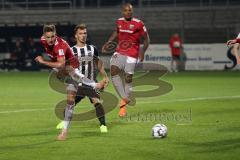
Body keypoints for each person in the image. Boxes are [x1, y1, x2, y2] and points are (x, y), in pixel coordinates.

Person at [34, 24, 106, 140]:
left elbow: (61, 64)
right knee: (70, 88)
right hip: (64, 71)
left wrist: (43, 62)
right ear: (44, 36)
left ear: (56, 35)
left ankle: (64, 132)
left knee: (70, 100)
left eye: (53, 36)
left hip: (71, 68)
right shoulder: (43, 40)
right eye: (48, 37)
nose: (51, 40)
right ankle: (95, 85)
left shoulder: (60, 46)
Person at [56, 24, 109, 140]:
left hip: (90, 81)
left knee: (96, 101)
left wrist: (105, 76)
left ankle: (103, 125)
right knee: (71, 102)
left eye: (85, 33)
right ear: (76, 35)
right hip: (77, 83)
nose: (83, 35)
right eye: (80, 33)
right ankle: (64, 122)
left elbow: (98, 64)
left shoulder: (92, 48)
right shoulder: (71, 50)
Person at [102, 3, 150, 117]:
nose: (128, 12)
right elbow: (116, 32)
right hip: (120, 51)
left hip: (132, 54)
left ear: (132, 11)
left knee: (128, 78)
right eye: (126, 10)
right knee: (113, 70)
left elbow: (146, 39)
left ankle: (123, 105)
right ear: (122, 11)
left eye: (130, 10)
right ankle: (125, 98)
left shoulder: (139, 23)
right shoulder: (119, 21)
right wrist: (108, 42)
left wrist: (142, 52)